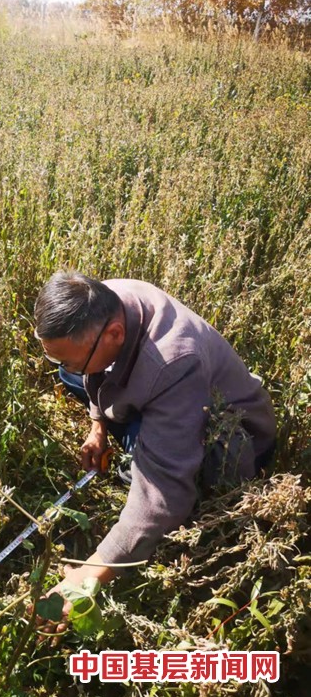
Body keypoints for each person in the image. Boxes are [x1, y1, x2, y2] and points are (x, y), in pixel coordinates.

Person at [33, 271, 276, 636]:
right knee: (73, 377)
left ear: (115, 333)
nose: (63, 368)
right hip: (167, 392)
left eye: (69, 359)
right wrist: (97, 425)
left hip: (235, 441)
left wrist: (89, 574)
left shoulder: (174, 361)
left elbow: (164, 494)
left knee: (154, 485)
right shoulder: (107, 300)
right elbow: (91, 373)